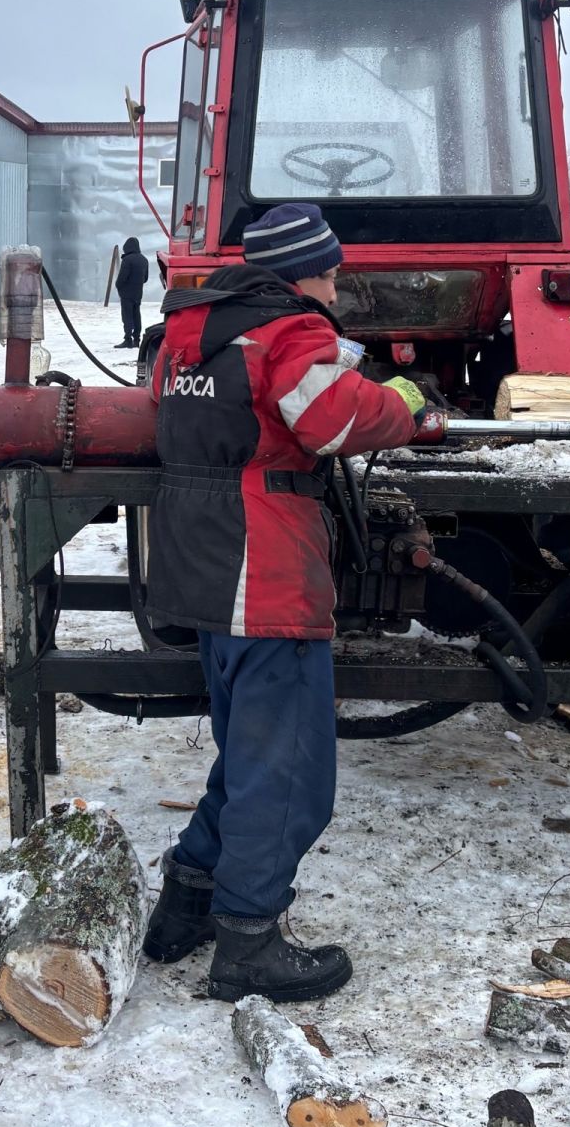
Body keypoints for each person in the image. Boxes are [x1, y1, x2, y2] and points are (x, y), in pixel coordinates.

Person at [139, 202, 437, 1001]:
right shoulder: (289, 330)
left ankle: (185, 905)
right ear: (304, 272)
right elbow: (331, 418)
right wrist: (406, 404)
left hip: (199, 565)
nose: (335, 290)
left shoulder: (187, 334)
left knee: (249, 758)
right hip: (263, 567)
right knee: (291, 776)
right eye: (330, 274)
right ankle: (248, 944)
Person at [114, 235, 150, 349]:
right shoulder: (144, 260)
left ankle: (128, 339)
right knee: (136, 315)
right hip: (138, 293)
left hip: (126, 293)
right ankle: (136, 340)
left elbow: (122, 278)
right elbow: (145, 278)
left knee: (127, 316)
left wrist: (118, 286)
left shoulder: (127, 260)